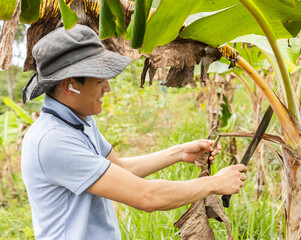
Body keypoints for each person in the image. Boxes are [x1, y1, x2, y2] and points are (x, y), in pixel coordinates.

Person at [21, 24, 247, 240]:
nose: (107, 88)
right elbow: (146, 196)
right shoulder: (53, 141)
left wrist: (178, 153)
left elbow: (120, 169)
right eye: (100, 81)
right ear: (70, 86)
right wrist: (214, 183)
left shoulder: (79, 120)